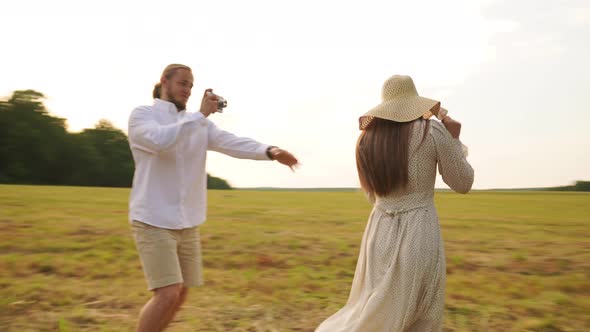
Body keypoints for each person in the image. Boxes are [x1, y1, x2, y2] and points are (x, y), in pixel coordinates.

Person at [127, 64, 298, 332]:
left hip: (187, 221)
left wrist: (270, 151)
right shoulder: (143, 116)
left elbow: (232, 142)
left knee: (181, 293)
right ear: (164, 82)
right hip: (153, 218)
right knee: (168, 292)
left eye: (191, 85)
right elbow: (161, 141)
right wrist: (200, 115)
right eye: (183, 83)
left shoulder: (198, 124)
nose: (187, 90)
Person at [315, 75, 474, 332]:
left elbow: (371, 194)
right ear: (414, 101)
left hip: (377, 233)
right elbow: (463, 182)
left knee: (375, 308)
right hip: (419, 230)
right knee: (420, 313)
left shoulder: (366, 141)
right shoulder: (431, 131)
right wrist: (454, 139)